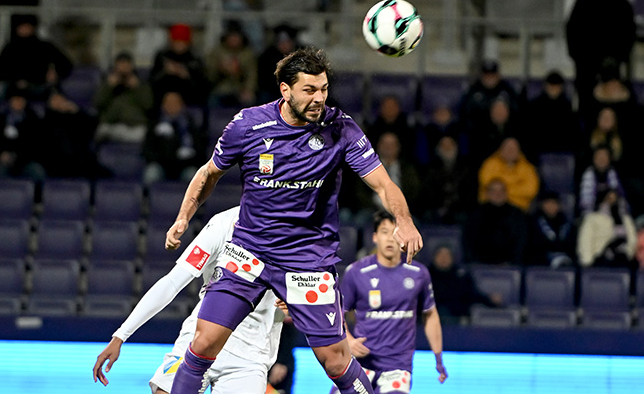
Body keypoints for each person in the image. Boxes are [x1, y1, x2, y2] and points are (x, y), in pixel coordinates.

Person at [163, 47, 422, 394]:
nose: (319, 99)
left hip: (307, 261)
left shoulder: (340, 128)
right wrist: (183, 217)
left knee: (336, 362)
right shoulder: (249, 125)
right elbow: (208, 174)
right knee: (203, 342)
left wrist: (403, 220)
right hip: (249, 254)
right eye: (309, 90)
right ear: (285, 90)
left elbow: (383, 183)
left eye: (324, 89)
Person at [93, 207, 286, 394]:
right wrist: (120, 336)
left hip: (249, 355)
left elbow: (307, 291)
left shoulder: (300, 234)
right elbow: (172, 282)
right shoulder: (224, 223)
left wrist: (296, 301)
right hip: (198, 337)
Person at [333, 210, 447, 393]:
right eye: (385, 232)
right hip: (361, 364)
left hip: (398, 366)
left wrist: (438, 359)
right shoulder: (356, 272)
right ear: (375, 237)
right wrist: (349, 341)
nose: (390, 238)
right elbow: (337, 313)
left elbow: (430, 315)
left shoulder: (419, 274)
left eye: (396, 233)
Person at [0, 14, 72, 101]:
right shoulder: (9, 48)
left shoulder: (44, 46)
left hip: (38, 86)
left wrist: (56, 72)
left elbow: (66, 64)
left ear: (33, 27)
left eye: (27, 26)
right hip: (14, 88)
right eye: (22, 26)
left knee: (52, 91)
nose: (25, 29)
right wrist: (15, 81)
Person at [94, 52, 153, 145]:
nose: (123, 70)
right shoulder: (107, 83)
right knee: (99, 131)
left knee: (142, 133)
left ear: (132, 67)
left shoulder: (142, 84)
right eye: (120, 66)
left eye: (126, 66)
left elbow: (149, 105)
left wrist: (138, 88)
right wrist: (108, 87)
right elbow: (98, 103)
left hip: (134, 127)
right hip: (111, 125)